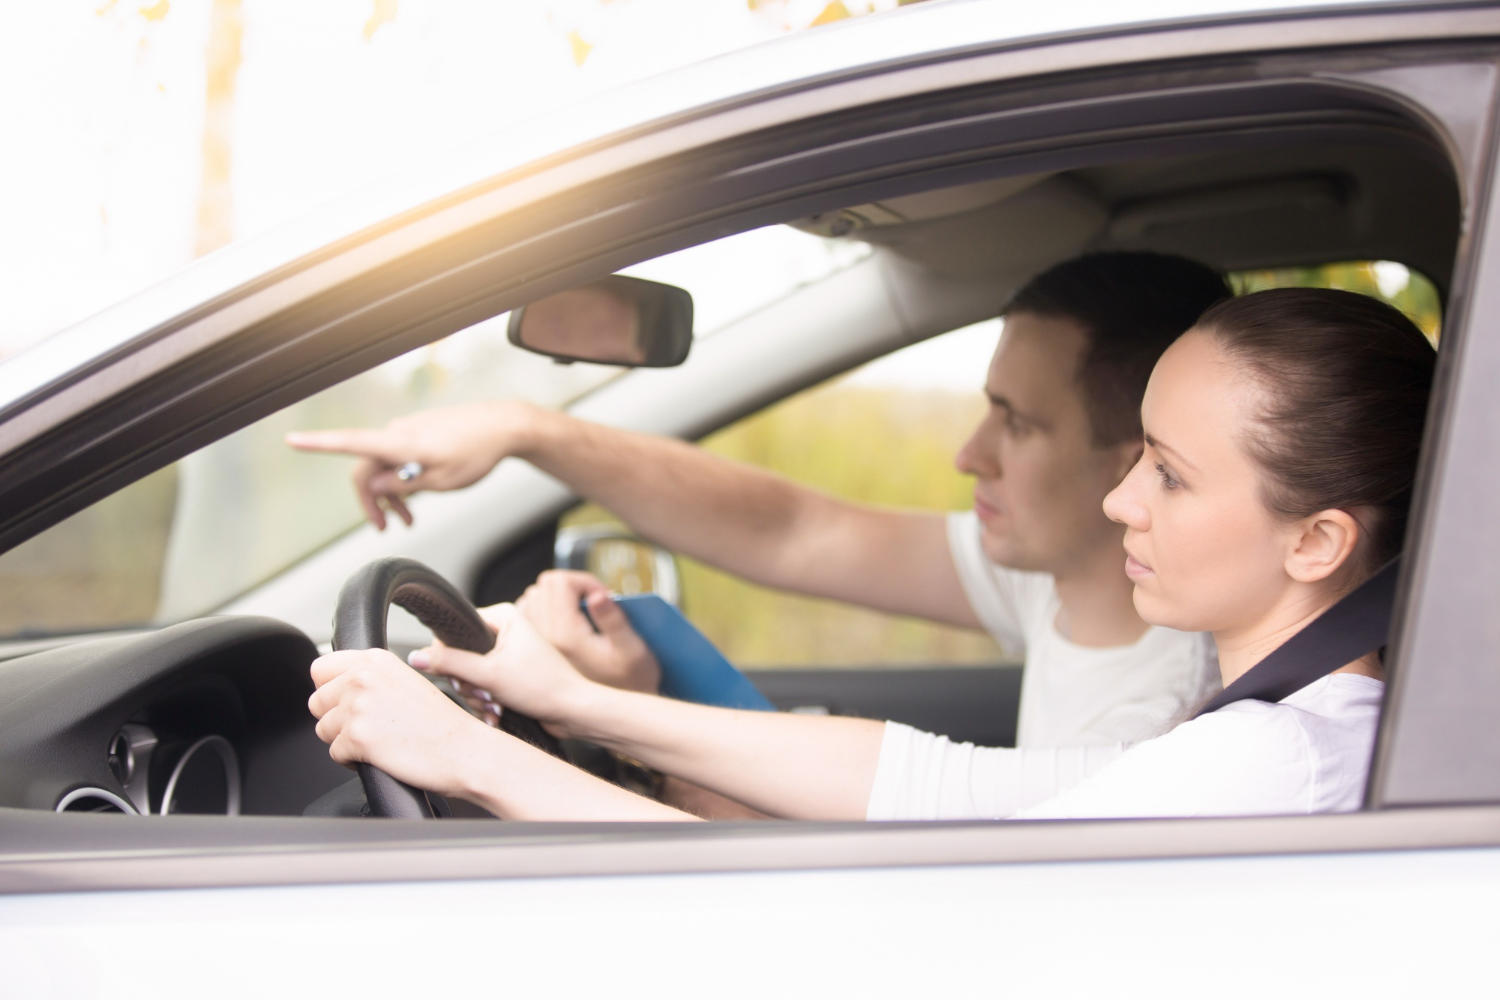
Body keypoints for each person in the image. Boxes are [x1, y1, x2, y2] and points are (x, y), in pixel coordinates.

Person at [306, 287, 1436, 821]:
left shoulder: (1262, 768)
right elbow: (929, 782)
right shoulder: (1286, 733)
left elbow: (834, 913)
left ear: (1318, 540)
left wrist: (472, 755)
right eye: (1138, 452)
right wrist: (574, 701)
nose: (1122, 498)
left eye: (1170, 474)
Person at [289, 252, 1231, 750]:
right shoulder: (1061, 579)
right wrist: (531, 430)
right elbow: (796, 529)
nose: (966, 454)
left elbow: (882, 870)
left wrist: (615, 702)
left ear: (1135, 462)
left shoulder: (1163, 723)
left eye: (1017, 424)